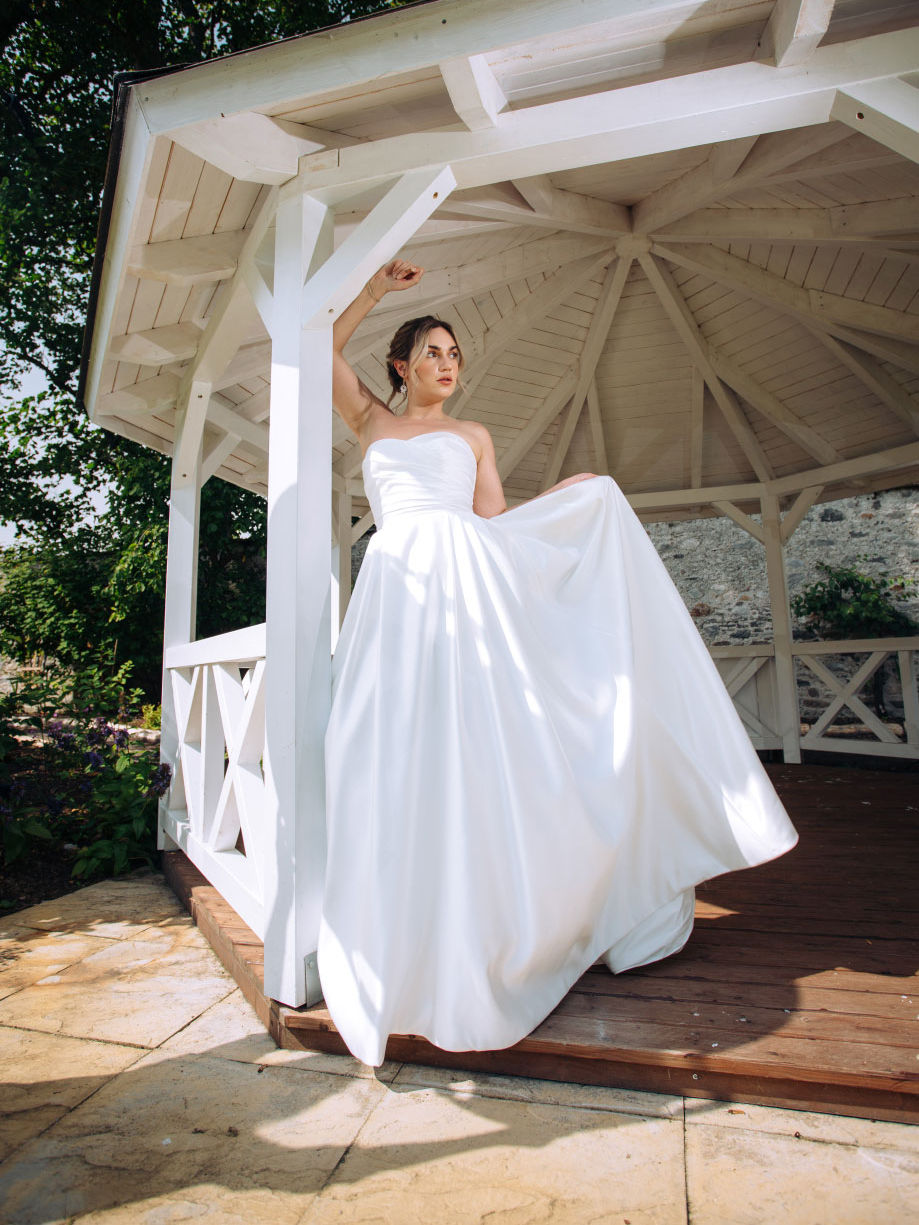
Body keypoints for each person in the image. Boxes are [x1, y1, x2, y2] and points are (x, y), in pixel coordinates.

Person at [318, 257, 798, 1068]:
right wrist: (372, 290)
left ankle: (505, 923)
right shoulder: (371, 421)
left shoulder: (472, 437)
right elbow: (314, 342)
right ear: (399, 364)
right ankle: (398, 937)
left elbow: (497, 529)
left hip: (467, 587)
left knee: (478, 749)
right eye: (432, 350)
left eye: (454, 353)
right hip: (397, 590)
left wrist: (573, 498)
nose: (446, 362)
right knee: (388, 750)